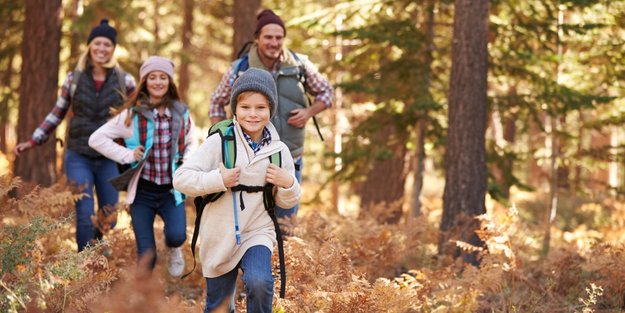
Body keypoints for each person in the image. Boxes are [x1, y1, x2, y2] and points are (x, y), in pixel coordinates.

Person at [174, 68, 301, 312]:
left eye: (260, 108)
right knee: (219, 306)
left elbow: (287, 202)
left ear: (270, 110)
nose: (252, 114)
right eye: (245, 107)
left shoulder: (279, 151)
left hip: (257, 230)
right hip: (219, 234)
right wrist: (218, 180)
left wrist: (288, 183)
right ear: (234, 109)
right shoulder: (219, 142)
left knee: (260, 282)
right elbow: (181, 179)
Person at [13, 19, 136, 252]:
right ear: (90, 46)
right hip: (79, 155)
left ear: (113, 49)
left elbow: (140, 115)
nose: (101, 49)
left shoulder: (125, 80)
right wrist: (34, 140)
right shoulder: (74, 79)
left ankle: (98, 246)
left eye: (107, 44)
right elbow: (57, 113)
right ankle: (83, 264)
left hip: (110, 156)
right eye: (97, 43)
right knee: (84, 209)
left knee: (109, 212)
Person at [209, 9, 332, 226]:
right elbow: (216, 102)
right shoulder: (240, 69)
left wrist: (308, 112)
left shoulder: (300, 65)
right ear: (257, 39)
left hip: (290, 156)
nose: (274, 42)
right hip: (247, 158)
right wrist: (222, 135)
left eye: (279, 37)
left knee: (286, 219)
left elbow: (327, 92)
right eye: (268, 37)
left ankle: (284, 260)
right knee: (250, 220)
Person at [88, 56, 194, 276]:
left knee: (177, 236)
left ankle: (174, 248)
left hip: (171, 191)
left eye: (162, 77)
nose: (157, 82)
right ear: (144, 82)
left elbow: (192, 141)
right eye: (152, 77)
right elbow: (96, 139)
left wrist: (188, 160)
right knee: (147, 256)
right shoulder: (132, 115)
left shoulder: (181, 112)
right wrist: (127, 154)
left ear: (169, 82)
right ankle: (143, 299)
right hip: (142, 193)